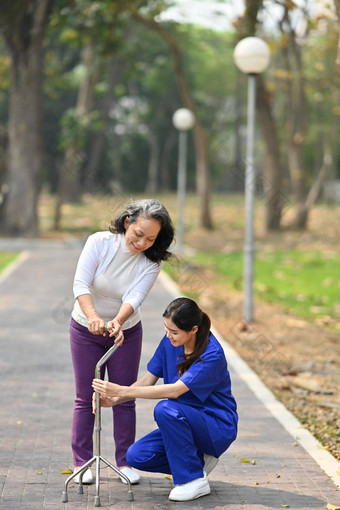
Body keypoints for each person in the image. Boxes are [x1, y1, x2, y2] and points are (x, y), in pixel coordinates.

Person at [70, 198, 174, 485]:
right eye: (138, 234)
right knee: (85, 396)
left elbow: (134, 297)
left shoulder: (150, 262)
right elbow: (80, 283)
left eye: (150, 239)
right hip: (84, 328)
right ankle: (82, 462)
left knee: (125, 396)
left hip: (125, 332)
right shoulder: (100, 242)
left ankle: (124, 461)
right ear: (127, 222)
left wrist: (117, 321)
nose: (141, 243)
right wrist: (92, 316)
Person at [92, 297, 238, 502]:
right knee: (136, 456)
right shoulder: (169, 343)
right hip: (181, 421)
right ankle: (196, 462)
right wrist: (113, 398)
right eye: (166, 329)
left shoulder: (211, 355)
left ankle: (192, 479)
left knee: (165, 409)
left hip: (215, 426)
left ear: (193, 330)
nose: (169, 335)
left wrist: (122, 391)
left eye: (175, 332)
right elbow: (146, 381)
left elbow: (175, 391)